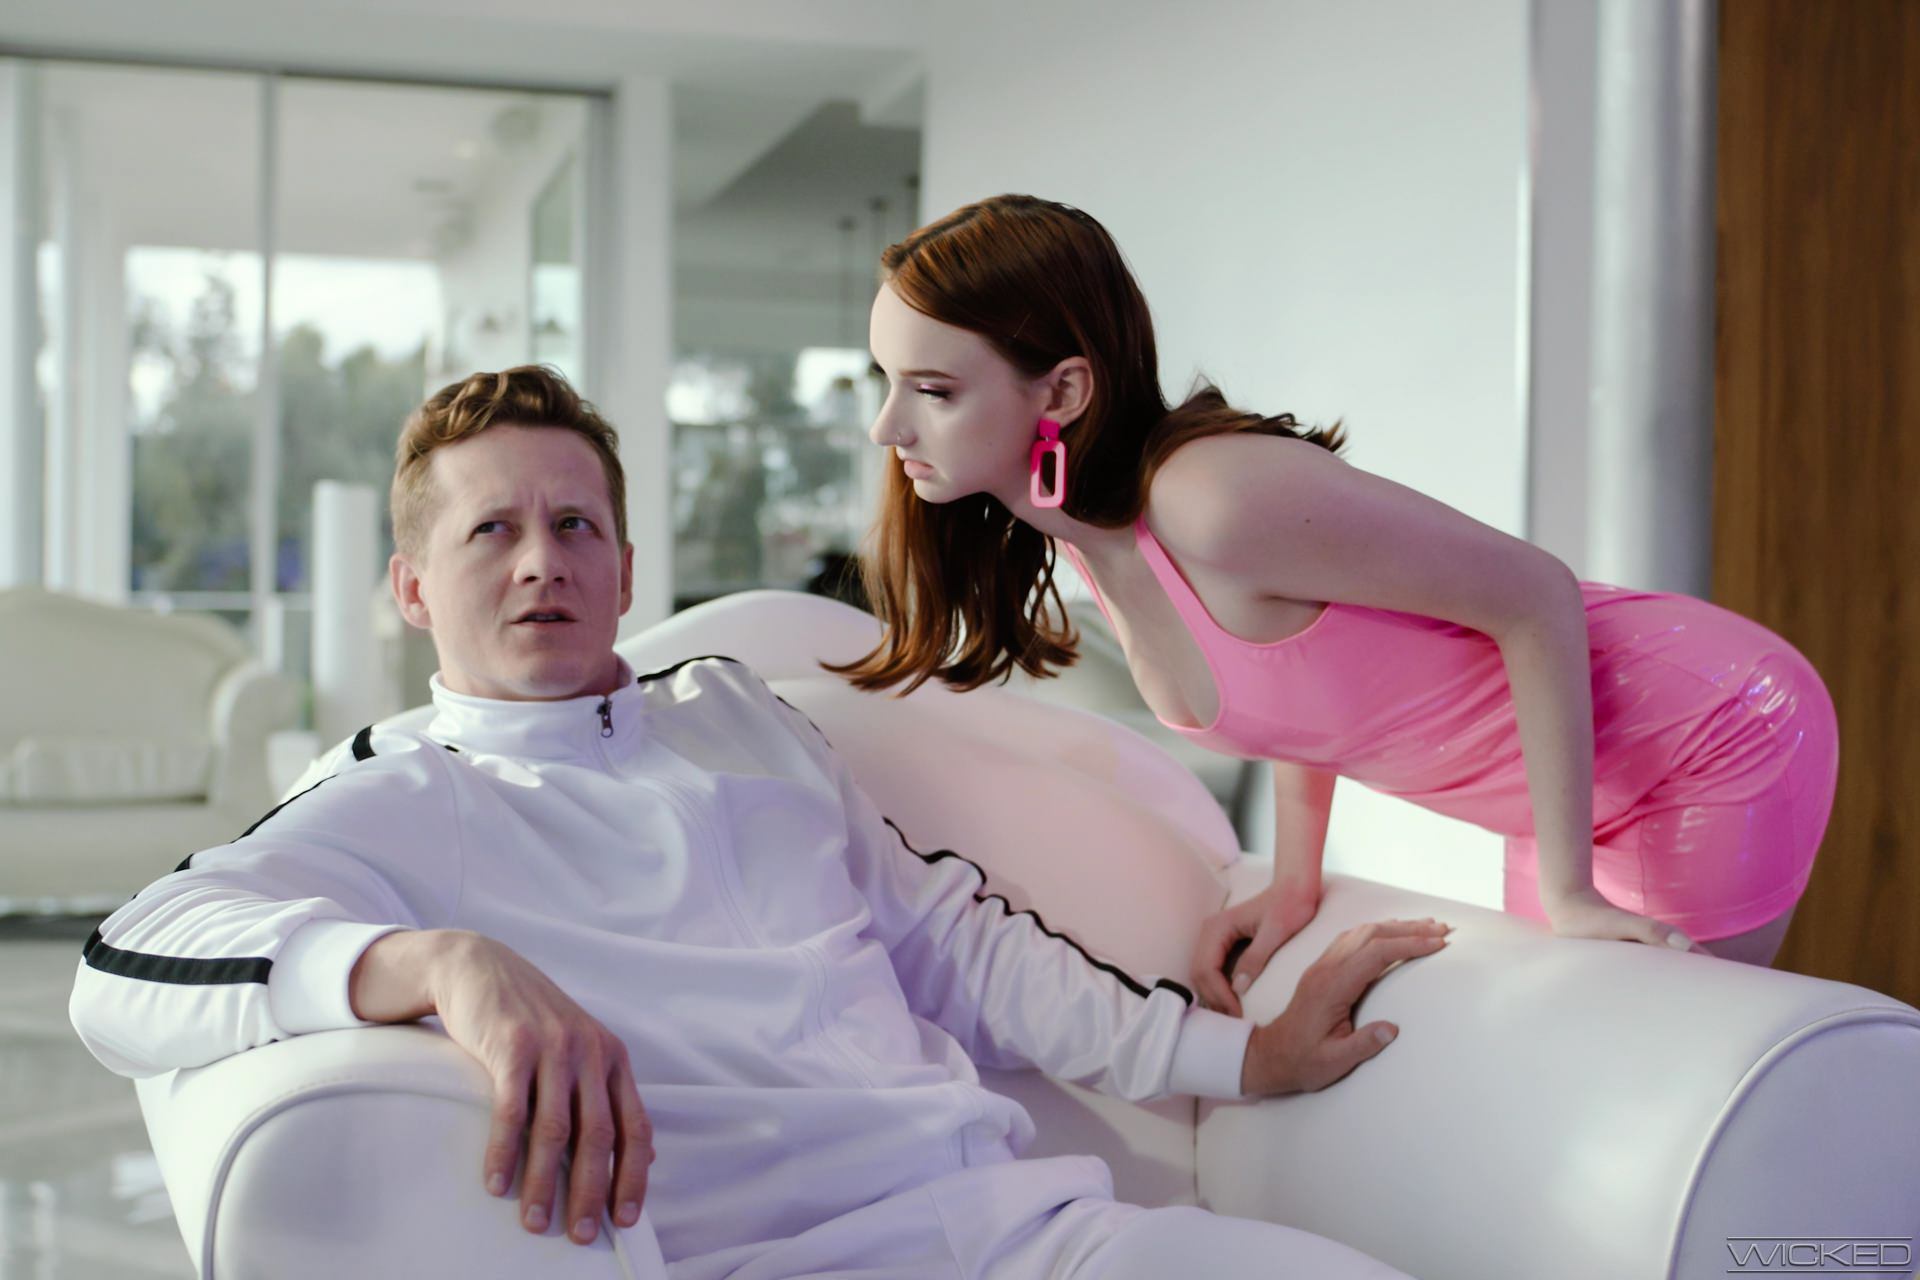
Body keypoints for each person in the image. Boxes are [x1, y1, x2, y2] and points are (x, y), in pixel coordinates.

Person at [69, 365, 1444, 1278]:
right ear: (412, 587)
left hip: (1027, 1233)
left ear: (627, 568)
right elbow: (122, 965)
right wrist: (436, 962)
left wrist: (1245, 1056)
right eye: (491, 531)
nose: (544, 560)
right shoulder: (395, 794)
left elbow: (957, 945)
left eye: (576, 525)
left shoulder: (736, 713)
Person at [842, 193, 1840, 1016]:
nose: (889, 426)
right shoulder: (1092, 533)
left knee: (1658, 1060)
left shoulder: (1212, 499)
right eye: (888, 381)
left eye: (933, 390)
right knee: (1586, 1045)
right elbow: (1299, 690)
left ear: (1060, 393)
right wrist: (1294, 881)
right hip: (1579, 775)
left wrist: (1569, 890)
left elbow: (1537, 593)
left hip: (1705, 729)